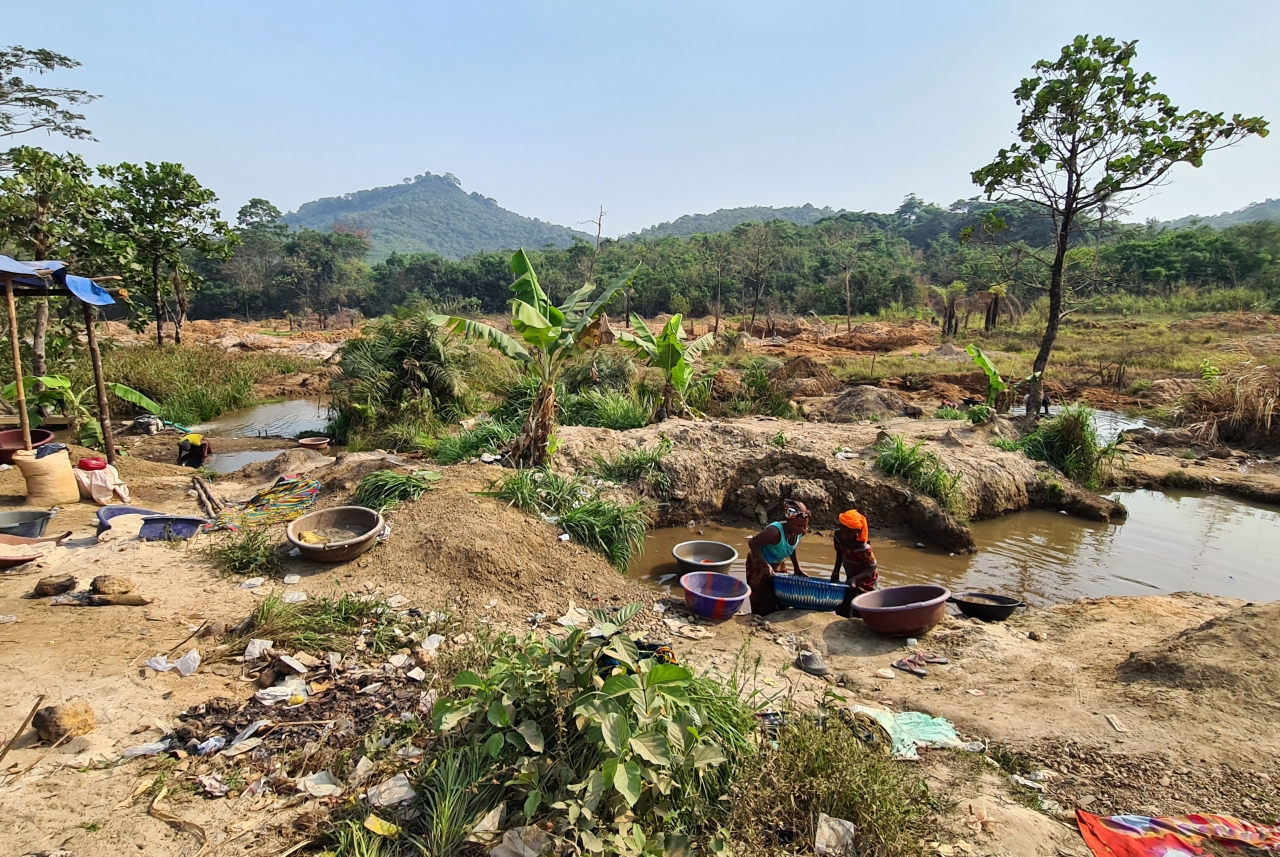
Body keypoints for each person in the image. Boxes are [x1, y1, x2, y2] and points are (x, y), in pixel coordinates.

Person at [745, 500, 809, 615]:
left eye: (805, 525)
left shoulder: (800, 532)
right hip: (758, 562)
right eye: (799, 526)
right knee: (761, 597)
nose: (803, 529)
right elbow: (753, 543)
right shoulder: (774, 532)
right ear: (789, 520)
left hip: (778, 563)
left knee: (781, 594)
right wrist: (764, 564)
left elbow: (791, 547)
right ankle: (759, 619)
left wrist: (797, 567)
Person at [830, 509, 878, 617]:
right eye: (842, 528)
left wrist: (855, 579)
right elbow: (839, 553)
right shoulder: (838, 536)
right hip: (852, 574)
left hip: (866, 579)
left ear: (857, 532)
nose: (844, 533)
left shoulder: (863, 547)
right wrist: (836, 571)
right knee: (842, 604)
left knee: (861, 603)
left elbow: (872, 565)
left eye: (848, 531)